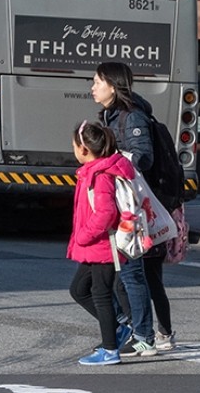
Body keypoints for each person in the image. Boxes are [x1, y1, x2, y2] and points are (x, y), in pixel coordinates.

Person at [91, 61, 163, 357]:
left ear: (112, 84)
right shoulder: (110, 114)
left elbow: (144, 157)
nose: (92, 87)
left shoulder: (131, 116)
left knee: (132, 273)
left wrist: (110, 162)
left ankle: (144, 335)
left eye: (96, 82)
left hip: (130, 205)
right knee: (118, 274)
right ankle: (132, 328)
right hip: (119, 202)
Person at [68, 120, 137, 366]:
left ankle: (110, 350)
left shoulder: (101, 175)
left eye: (74, 146)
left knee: (100, 295)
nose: (73, 150)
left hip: (102, 246)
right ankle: (118, 329)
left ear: (84, 149)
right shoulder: (92, 171)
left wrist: (84, 235)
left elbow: (106, 212)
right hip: (95, 247)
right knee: (79, 290)